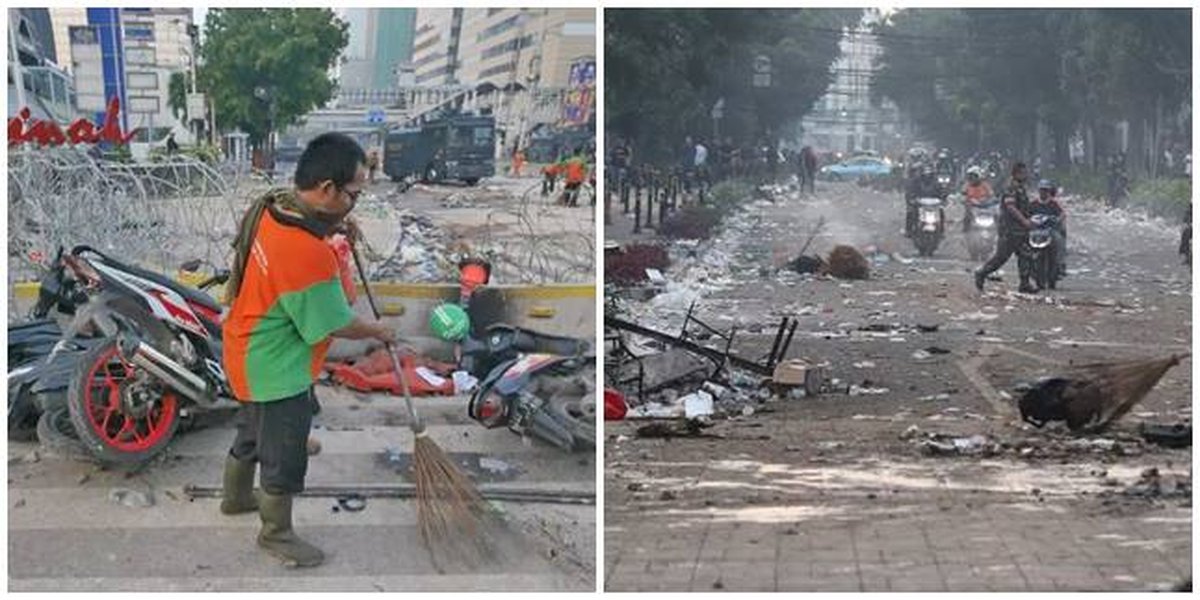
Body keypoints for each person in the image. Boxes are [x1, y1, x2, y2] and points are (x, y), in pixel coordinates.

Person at [221, 133, 397, 568]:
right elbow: (334, 323)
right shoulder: (307, 254)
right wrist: (379, 330)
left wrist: (336, 226)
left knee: (250, 431)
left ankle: (236, 497)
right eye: (353, 194)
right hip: (275, 369)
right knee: (283, 452)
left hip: (243, 348)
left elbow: (305, 223)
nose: (355, 202)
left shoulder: (273, 205)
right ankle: (276, 534)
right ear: (326, 190)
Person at [974, 162, 1037, 294]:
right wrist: (1024, 220)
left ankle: (1024, 283)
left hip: (1020, 229)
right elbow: (1011, 207)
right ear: (1016, 173)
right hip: (1010, 229)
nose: (1026, 175)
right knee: (1001, 257)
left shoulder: (1021, 187)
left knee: (1025, 255)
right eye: (1023, 172)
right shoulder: (1011, 187)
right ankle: (981, 273)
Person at [1030, 179, 1068, 276]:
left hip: (1050, 230)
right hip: (1036, 231)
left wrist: (1059, 219)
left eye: (1046, 190)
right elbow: (1026, 213)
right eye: (1042, 190)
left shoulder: (1054, 203)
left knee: (1059, 242)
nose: (1044, 192)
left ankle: (1060, 264)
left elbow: (1062, 213)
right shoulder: (1033, 203)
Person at [904, 164, 941, 237]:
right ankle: (909, 230)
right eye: (925, 173)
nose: (927, 175)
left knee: (941, 213)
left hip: (933, 204)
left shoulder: (936, 181)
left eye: (929, 173)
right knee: (911, 212)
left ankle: (941, 230)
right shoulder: (916, 181)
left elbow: (941, 191)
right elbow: (911, 191)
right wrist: (912, 199)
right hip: (920, 204)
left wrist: (943, 198)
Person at [961, 167, 994, 232]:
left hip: (985, 207)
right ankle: (966, 230)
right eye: (970, 177)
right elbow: (962, 195)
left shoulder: (985, 185)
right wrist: (965, 201)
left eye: (974, 176)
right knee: (967, 216)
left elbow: (991, 194)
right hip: (972, 207)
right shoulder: (967, 185)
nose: (972, 178)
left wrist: (986, 199)